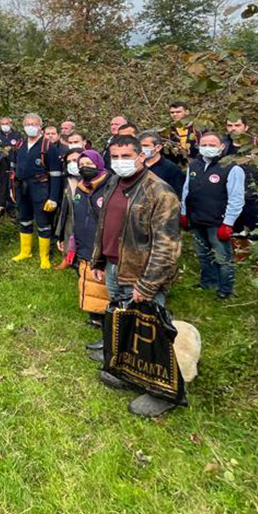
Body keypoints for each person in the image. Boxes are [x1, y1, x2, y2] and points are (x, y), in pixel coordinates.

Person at [90, 134, 183, 417]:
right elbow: (105, 223)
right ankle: (126, 372)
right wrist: (99, 258)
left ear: (141, 156)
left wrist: (147, 284)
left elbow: (167, 246)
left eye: (126, 156)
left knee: (152, 334)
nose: (120, 162)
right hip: (115, 266)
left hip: (142, 273)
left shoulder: (160, 193)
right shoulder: (113, 182)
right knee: (122, 322)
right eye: (115, 157)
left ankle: (163, 392)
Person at [181, 131, 245, 300]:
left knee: (222, 258)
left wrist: (228, 223)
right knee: (203, 255)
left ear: (222, 147)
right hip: (196, 218)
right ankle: (208, 283)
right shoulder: (194, 166)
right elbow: (186, 190)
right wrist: (184, 213)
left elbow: (236, 199)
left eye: (212, 145)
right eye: (204, 145)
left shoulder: (232, 168)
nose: (207, 148)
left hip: (218, 221)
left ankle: (225, 289)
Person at [11, 113, 64, 269]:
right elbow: (12, 170)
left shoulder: (48, 146)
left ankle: (44, 257)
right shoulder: (19, 145)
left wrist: (53, 198)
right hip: (22, 188)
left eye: (33, 124)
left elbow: (56, 174)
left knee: (43, 222)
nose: (30, 127)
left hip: (40, 188)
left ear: (40, 127)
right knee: (24, 219)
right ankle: (25, 252)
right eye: (27, 124)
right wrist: (12, 189)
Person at [67, 151, 111, 335]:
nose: (85, 168)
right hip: (82, 241)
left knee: (102, 280)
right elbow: (76, 217)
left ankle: (107, 316)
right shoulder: (80, 187)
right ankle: (94, 315)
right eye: (82, 165)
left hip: (102, 244)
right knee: (86, 277)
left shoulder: (110, 186)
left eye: (89, 164)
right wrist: (72, 242)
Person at [223, 116, 258, 277]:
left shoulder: (257, 145)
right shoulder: (223, 147)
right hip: (231, 196)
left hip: (254, 195)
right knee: (236, 230)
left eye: (237, 125)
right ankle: (240, 257)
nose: (233, 128)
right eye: (230, 125)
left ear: (246, 127)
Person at [52, 147, 85, 270]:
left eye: (75, 160)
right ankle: (66, 258)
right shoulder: (67, 180)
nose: (72, 164)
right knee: (68, 228)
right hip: (71, 214)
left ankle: (84, 262)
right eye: (69, 161)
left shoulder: (93, 179)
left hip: (87, 217)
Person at [139, 130, 184, 195]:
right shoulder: (137, 166)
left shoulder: (171, 169)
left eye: (145, 145)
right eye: (139, 146)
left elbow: (178, 194)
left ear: (158, 147)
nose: (141, 149)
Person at [167, 101, 200, 165]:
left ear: (187, 112)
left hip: (196, 162)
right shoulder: (168, 130)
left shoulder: (197, 128)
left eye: (178, 112)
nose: (175, 114)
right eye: (172, 112)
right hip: (176, 164)